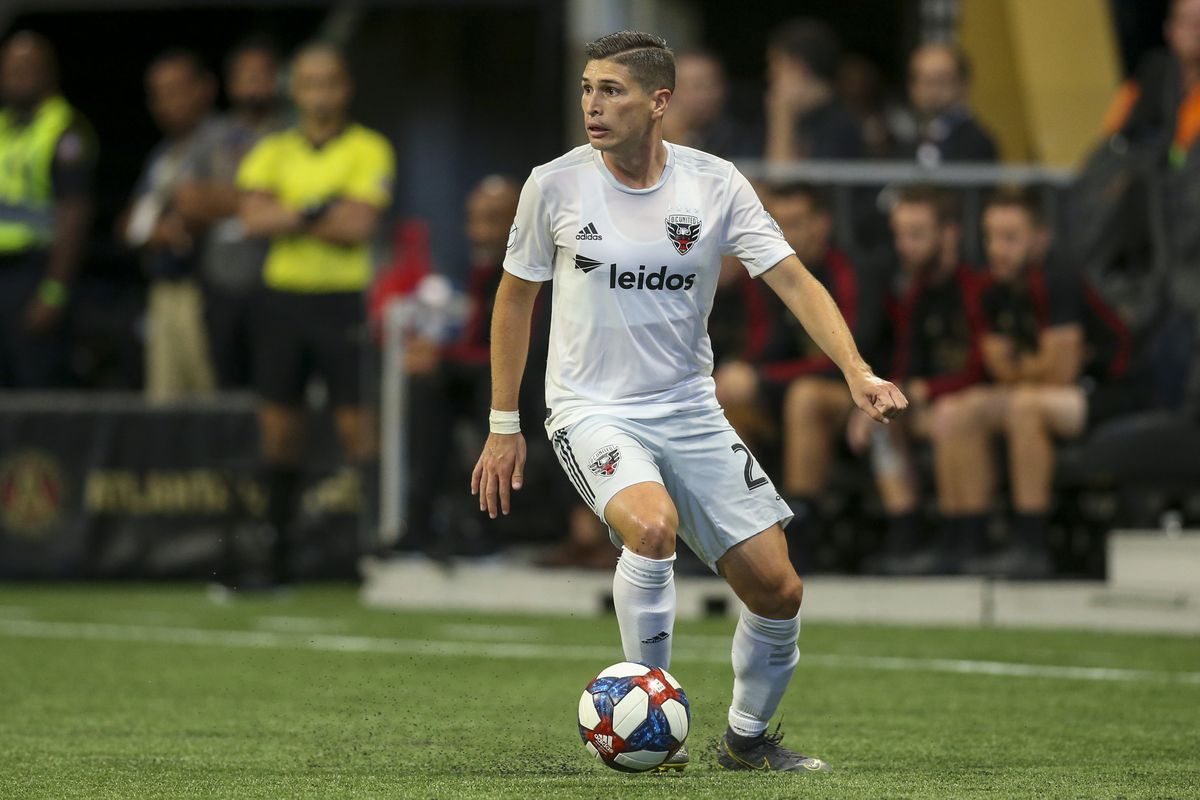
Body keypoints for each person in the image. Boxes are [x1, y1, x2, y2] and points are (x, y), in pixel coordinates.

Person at [471, 30, 905, 773]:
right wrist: (503, 422)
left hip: (690, 411)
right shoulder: (556, 183)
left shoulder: (714, 184)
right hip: (591, 409)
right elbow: (515, 301)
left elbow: (794, 279)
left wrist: (856, 370)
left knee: (779, 588)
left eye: (611, 91)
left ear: (659, 101)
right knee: (651, 529)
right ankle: (653, 727)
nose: (593, 106)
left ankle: (747, 741)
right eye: (586, 89)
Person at [237, 42, 395, 587]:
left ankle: (368, 554)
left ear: (345, 87)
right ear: (296, 90)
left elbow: (359, 226)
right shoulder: (272, 149)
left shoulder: (369, 149)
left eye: (329, 81)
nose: (319, 92)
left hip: (341, 301)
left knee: (357, 429)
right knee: (280, 431)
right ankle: (275, 557)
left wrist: (290, 213)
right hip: (282, 301)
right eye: (309, 82)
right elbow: (253, 218)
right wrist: (318, 209)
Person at [936, 189, 1136, 578]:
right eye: (991, 236)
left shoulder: (1057, 279)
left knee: (1026, 404)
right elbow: (1001, 369)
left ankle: (1032, 545)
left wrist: (1027, 365)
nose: (998, 249)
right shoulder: (992, 288)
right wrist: (1037, 363)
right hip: (1056, 391)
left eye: (1010, 238)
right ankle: (966, 541)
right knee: (959, 409)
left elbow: (1060, 374)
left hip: (1113, 390)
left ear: (1040, 239)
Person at [712, 183, 867, 571]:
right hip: (786, 389)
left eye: (798, 222)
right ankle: (732, 533)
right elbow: (767, 345)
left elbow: (848, 356)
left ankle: (802, 535)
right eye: (782, 224)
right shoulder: (768, 275)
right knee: (723, 399)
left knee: (805, 396)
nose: (789, 234)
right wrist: (745, 373)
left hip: (854, 396)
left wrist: (763, 379)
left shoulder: (850, 271)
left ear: (823, 223)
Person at [847, 187, 988, 574]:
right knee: (882, 420)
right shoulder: (916, 291)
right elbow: (906, 363)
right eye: (899, 234)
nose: (903, 246)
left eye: (916, 234)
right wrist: (882, 395)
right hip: (939, 400)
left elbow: (982, 368)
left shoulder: (976, 284)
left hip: (979, 399)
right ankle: (906, 536)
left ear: (949, 233)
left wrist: (924, 390)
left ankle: (964, 537)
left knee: (949, 413)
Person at [175, 37, 288, 390]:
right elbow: (189, 201)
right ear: (231, 83)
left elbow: (303, 201)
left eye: (263, 75)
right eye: (246, 76)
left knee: (278, 382)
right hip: (221, 277)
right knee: (225, 377)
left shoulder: (293, 133)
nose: (255, 84)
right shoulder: (210, 135)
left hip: (279, 279)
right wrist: (263, 204)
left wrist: (220, 199)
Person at [123, 49, 219, 402]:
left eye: (176, 90)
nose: (167, 103)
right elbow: (131, 223)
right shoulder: (163, 154)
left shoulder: (223, 141)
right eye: (158, 94)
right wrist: (157, 230)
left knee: (208, 392)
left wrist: (190, 215)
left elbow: (226, 207)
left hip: (207, 288)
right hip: (166, 287)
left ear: (204, 88)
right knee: (164, 395)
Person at [0, 32, 95, 389]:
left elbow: (76, 213)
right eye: (9, 68)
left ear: (48, 72)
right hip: (3, 276)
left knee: (37, 389)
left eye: (26, 67)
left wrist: (54, 290)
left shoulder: (63, 129)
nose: (15, 75)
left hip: (36, 274)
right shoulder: (3, 127)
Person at [764, 18, 865, 163]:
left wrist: (782, 120)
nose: (770, 77)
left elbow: (782, 182)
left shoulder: (842, 125)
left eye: (776, 68)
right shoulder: (798, 117)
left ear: (798, 68)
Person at [896, 43, 998, 166]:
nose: (931, 89)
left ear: (963, 84)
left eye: (941, 80)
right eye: (923, 80)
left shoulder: (977, 143)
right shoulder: (904, 136)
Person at [661, 51, 758, 159]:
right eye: (697, 86)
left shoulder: (738, 134)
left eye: (713, 85)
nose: (707, 95)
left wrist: (676, 138)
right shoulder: (651, 137)